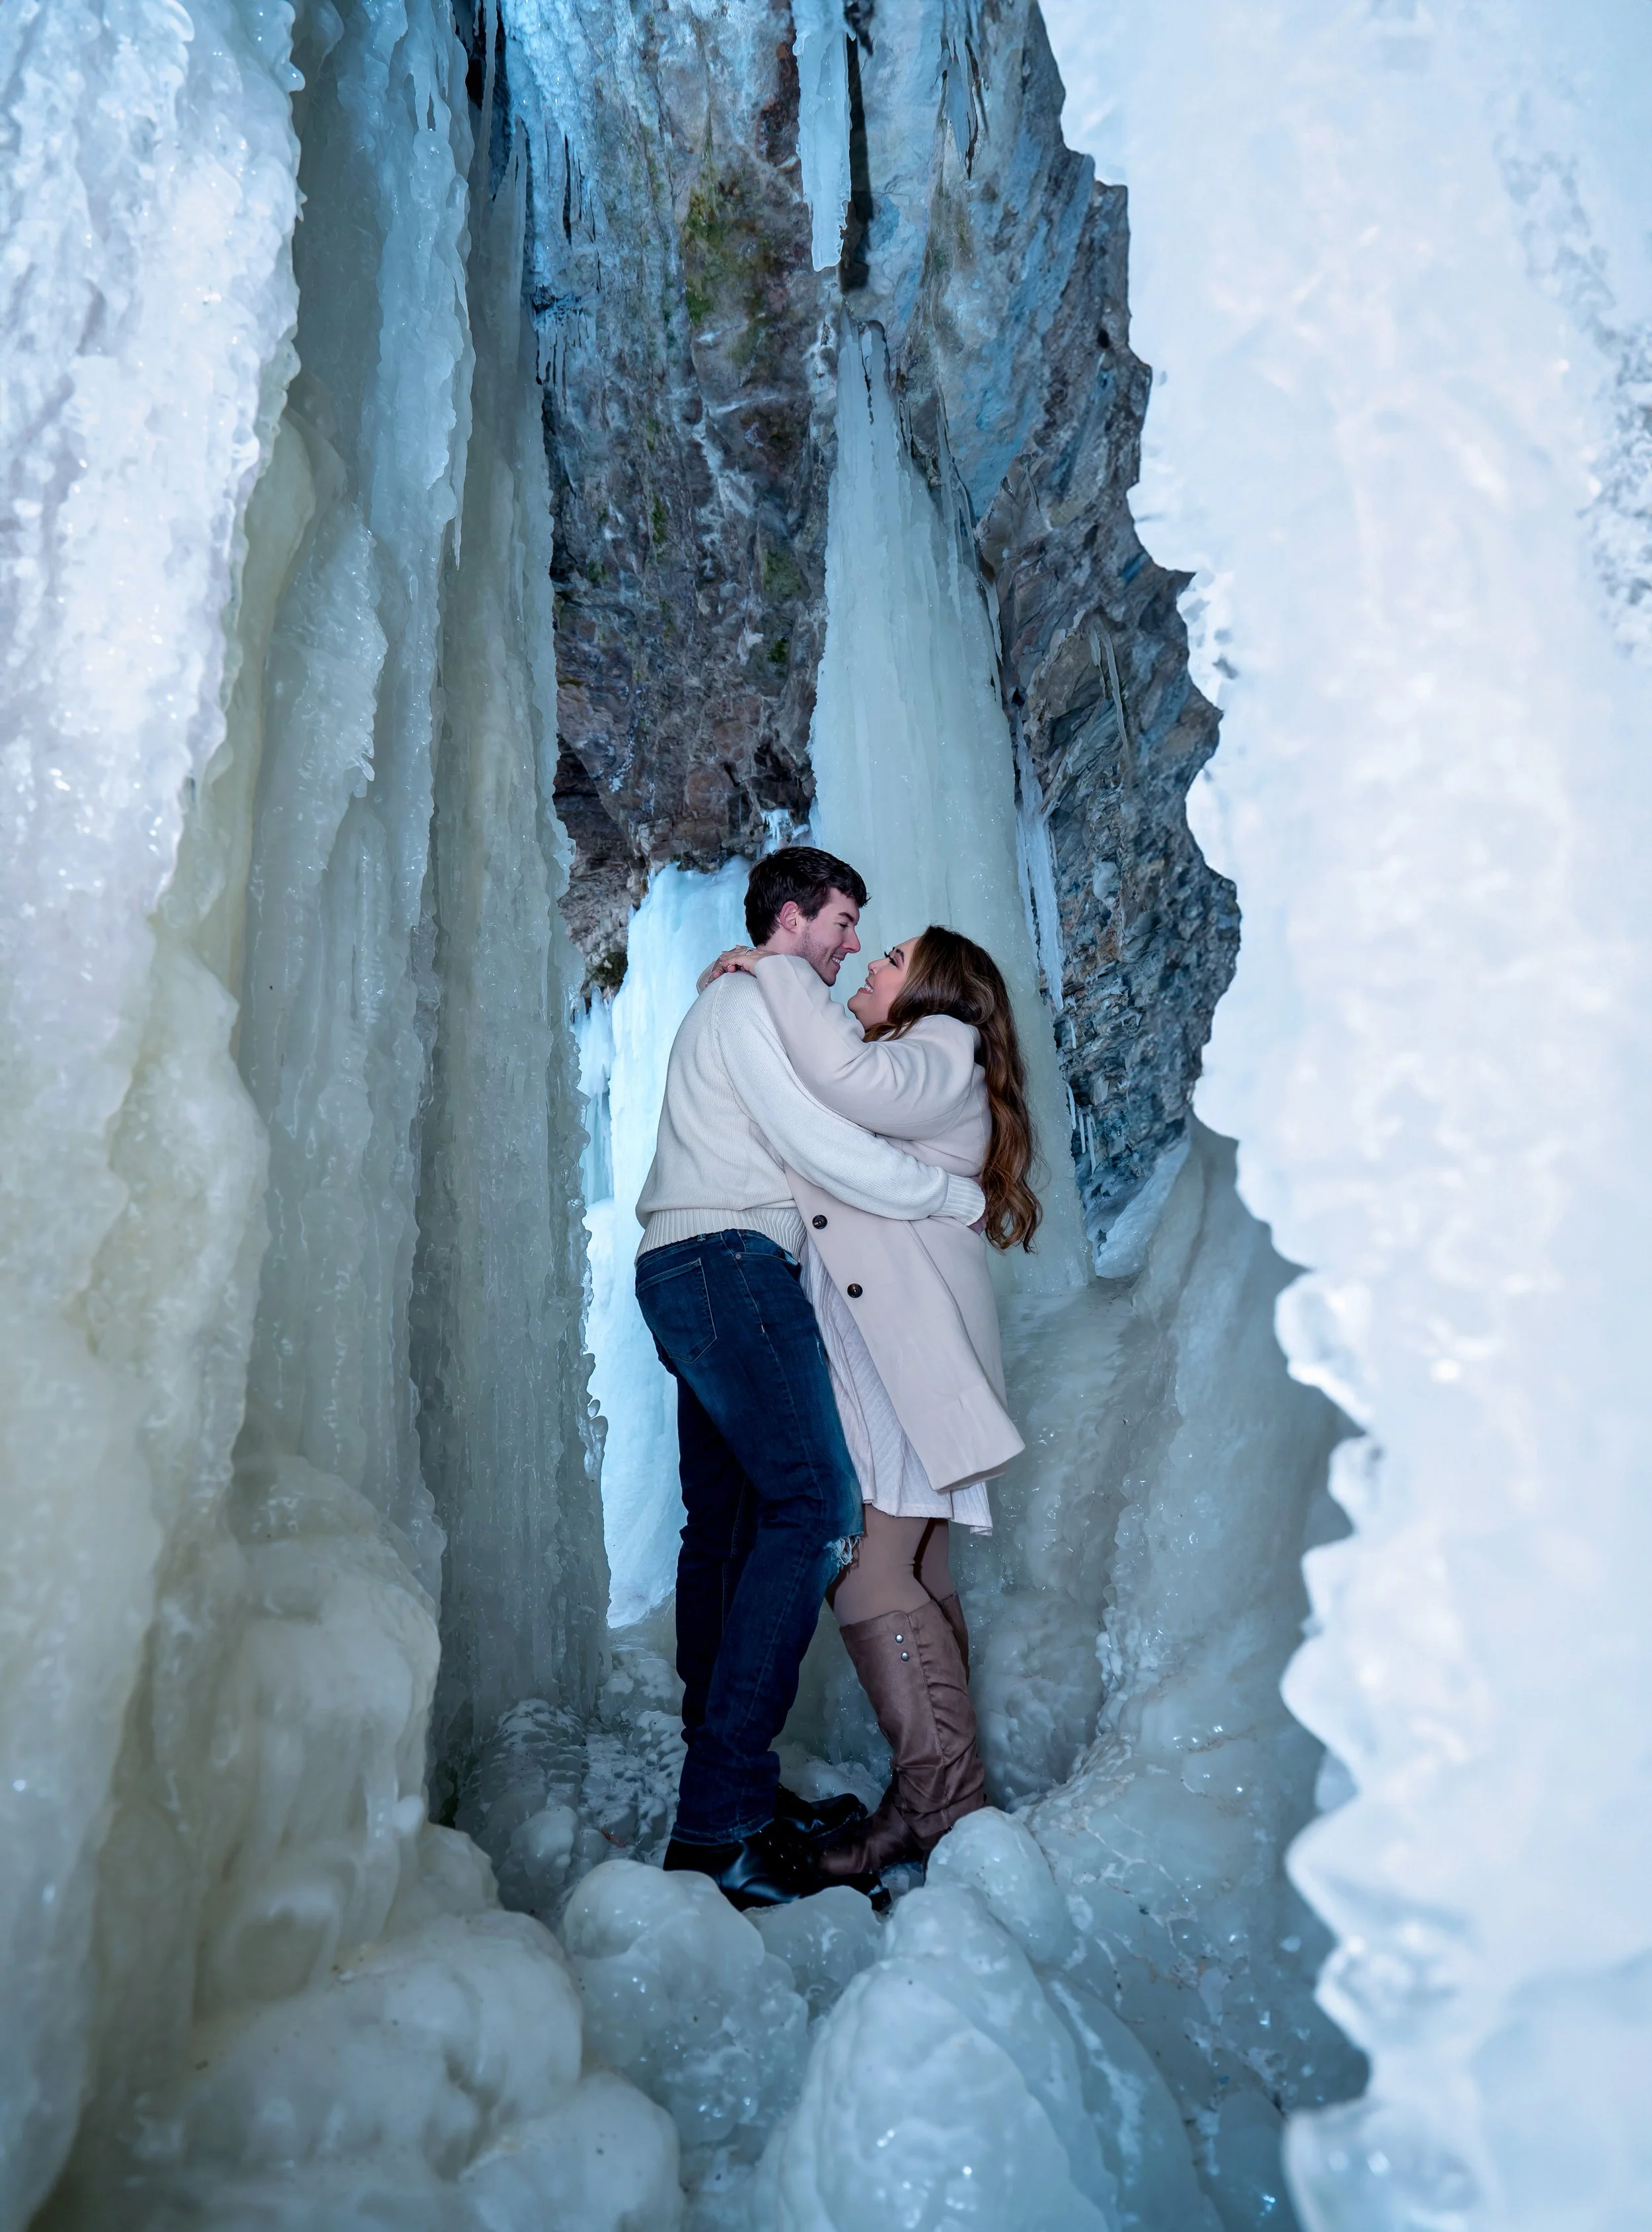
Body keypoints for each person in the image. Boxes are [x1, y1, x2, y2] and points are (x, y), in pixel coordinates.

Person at [634, 848, 989, 1909]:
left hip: (695, 1265)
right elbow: (821, 1142)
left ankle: (724, 1784)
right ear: (793, 918)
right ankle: (721, 1822)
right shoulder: (751, 1004)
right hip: (728, 1261)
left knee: (730, 1524)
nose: (847, 946)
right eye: (841, 922)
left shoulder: (752, 998)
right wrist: (949, 1196)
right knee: (819, 1508)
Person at [701, 922, 1039, 1889]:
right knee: (920, 1569)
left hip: (903, 1351)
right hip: (907, 1345)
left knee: (866, 1573)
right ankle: (934, 1801)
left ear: (933, 989)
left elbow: (842, 1087)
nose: (868, 966)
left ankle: (943, 1804)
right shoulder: (922, 1060)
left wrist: (775, 968)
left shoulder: (941, 1046)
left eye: (888, 960)